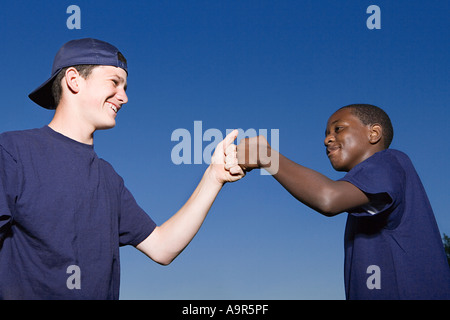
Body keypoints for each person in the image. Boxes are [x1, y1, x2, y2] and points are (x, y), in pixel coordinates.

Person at [0, 38, 245, 299]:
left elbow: (163, 248)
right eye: (114, 82)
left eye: (125, 87)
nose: (124, 97)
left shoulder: (109, 179)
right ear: (74, 80)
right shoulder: (12, 152)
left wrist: (213, 177)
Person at [237, 104, 450, 299]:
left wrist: (266, 157)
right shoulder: (364, 197)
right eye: (327, 133)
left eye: (338, 129)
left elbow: (328, 198)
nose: (327, 139)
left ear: (373, 133)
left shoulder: (390, 161)